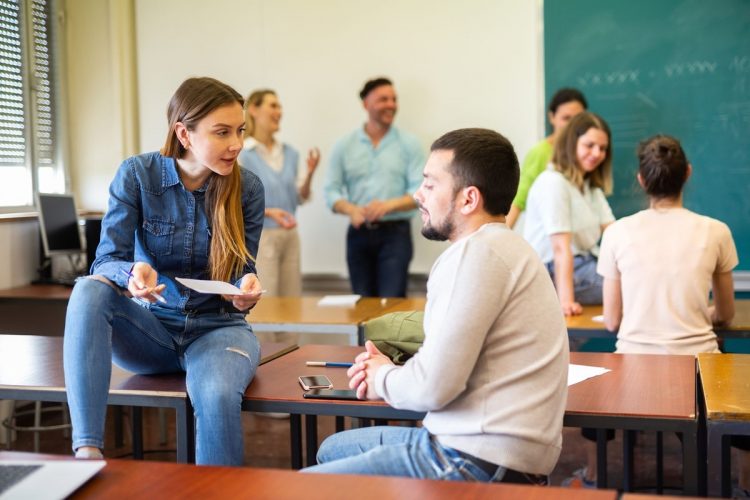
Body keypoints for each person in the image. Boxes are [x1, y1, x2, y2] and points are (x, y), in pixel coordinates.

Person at [304, 128, 569, 484]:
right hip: (491, 447)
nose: (417, 195)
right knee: (332, 448)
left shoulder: (474, 256)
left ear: (468, 199)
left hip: (476, 459)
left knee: (299, 485)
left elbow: (432, 389)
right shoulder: (509, 247)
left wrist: (380, 375)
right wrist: (388, 370)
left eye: (430, 184)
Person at [63, 77, 265, 466]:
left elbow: (244, 269)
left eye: (239, 131)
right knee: (89, 288)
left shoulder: (248, 188)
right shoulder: (137, 175)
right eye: (222, 132)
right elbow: (105, 261)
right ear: (183, 134)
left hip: (219, 329)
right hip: (152, 331)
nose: (236, 144)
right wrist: (132, 272)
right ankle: (87, 452)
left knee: (218, 396)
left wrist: (245, 286)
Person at [564, 134, 741, 488]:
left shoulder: (617, 233)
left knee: (595, 378)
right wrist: (693, 311)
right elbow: (725, 314)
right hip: (697, 369)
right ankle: (735, 486)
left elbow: (612, 320)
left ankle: (594, 477)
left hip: (634, 370)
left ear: (642, 181)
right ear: (687, 174)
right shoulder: (716, 231)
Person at [324, 77, 424, 297]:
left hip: (396, 234)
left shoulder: (410, 144)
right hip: (358, 233)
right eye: (383, 99)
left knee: (393, 306)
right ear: (366, 104)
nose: (391, 104)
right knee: (361, 306)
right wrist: (351, 210)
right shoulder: (344, 145)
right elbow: (330, 190)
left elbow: (420, 190)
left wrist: (388, 206)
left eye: (394, 99)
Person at [239, 89, 319, 338]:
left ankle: (290, 359)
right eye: (273, 105)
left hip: (289, 236)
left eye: (279, 106)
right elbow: (236, 200)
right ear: (253, 109)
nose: (279, 112)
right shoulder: (243, 152)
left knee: (291, 303)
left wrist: (310, 174)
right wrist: (269, 212)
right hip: (261, 237)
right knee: (266, 302)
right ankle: (265, 359)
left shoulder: (291, 153)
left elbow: (299, 196)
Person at [523, 111, 615, 316]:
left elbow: (614, 233)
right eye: (589, 145)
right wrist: (566, 302)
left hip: (587, 262)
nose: (597, 153)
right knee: (632, 286)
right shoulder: (552, 182)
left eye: (602, 148)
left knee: (643, 278)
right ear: (571, 144)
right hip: (554, 271)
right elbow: (560, 248)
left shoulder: (590, 188)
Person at [506, 88, 587, 229]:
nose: (572, 125)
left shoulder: (588, 154)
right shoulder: (540, 152)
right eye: (566, 118)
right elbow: (519, 200)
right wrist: (501, 238)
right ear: (552, 117)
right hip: (547, 237)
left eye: (578, 118)